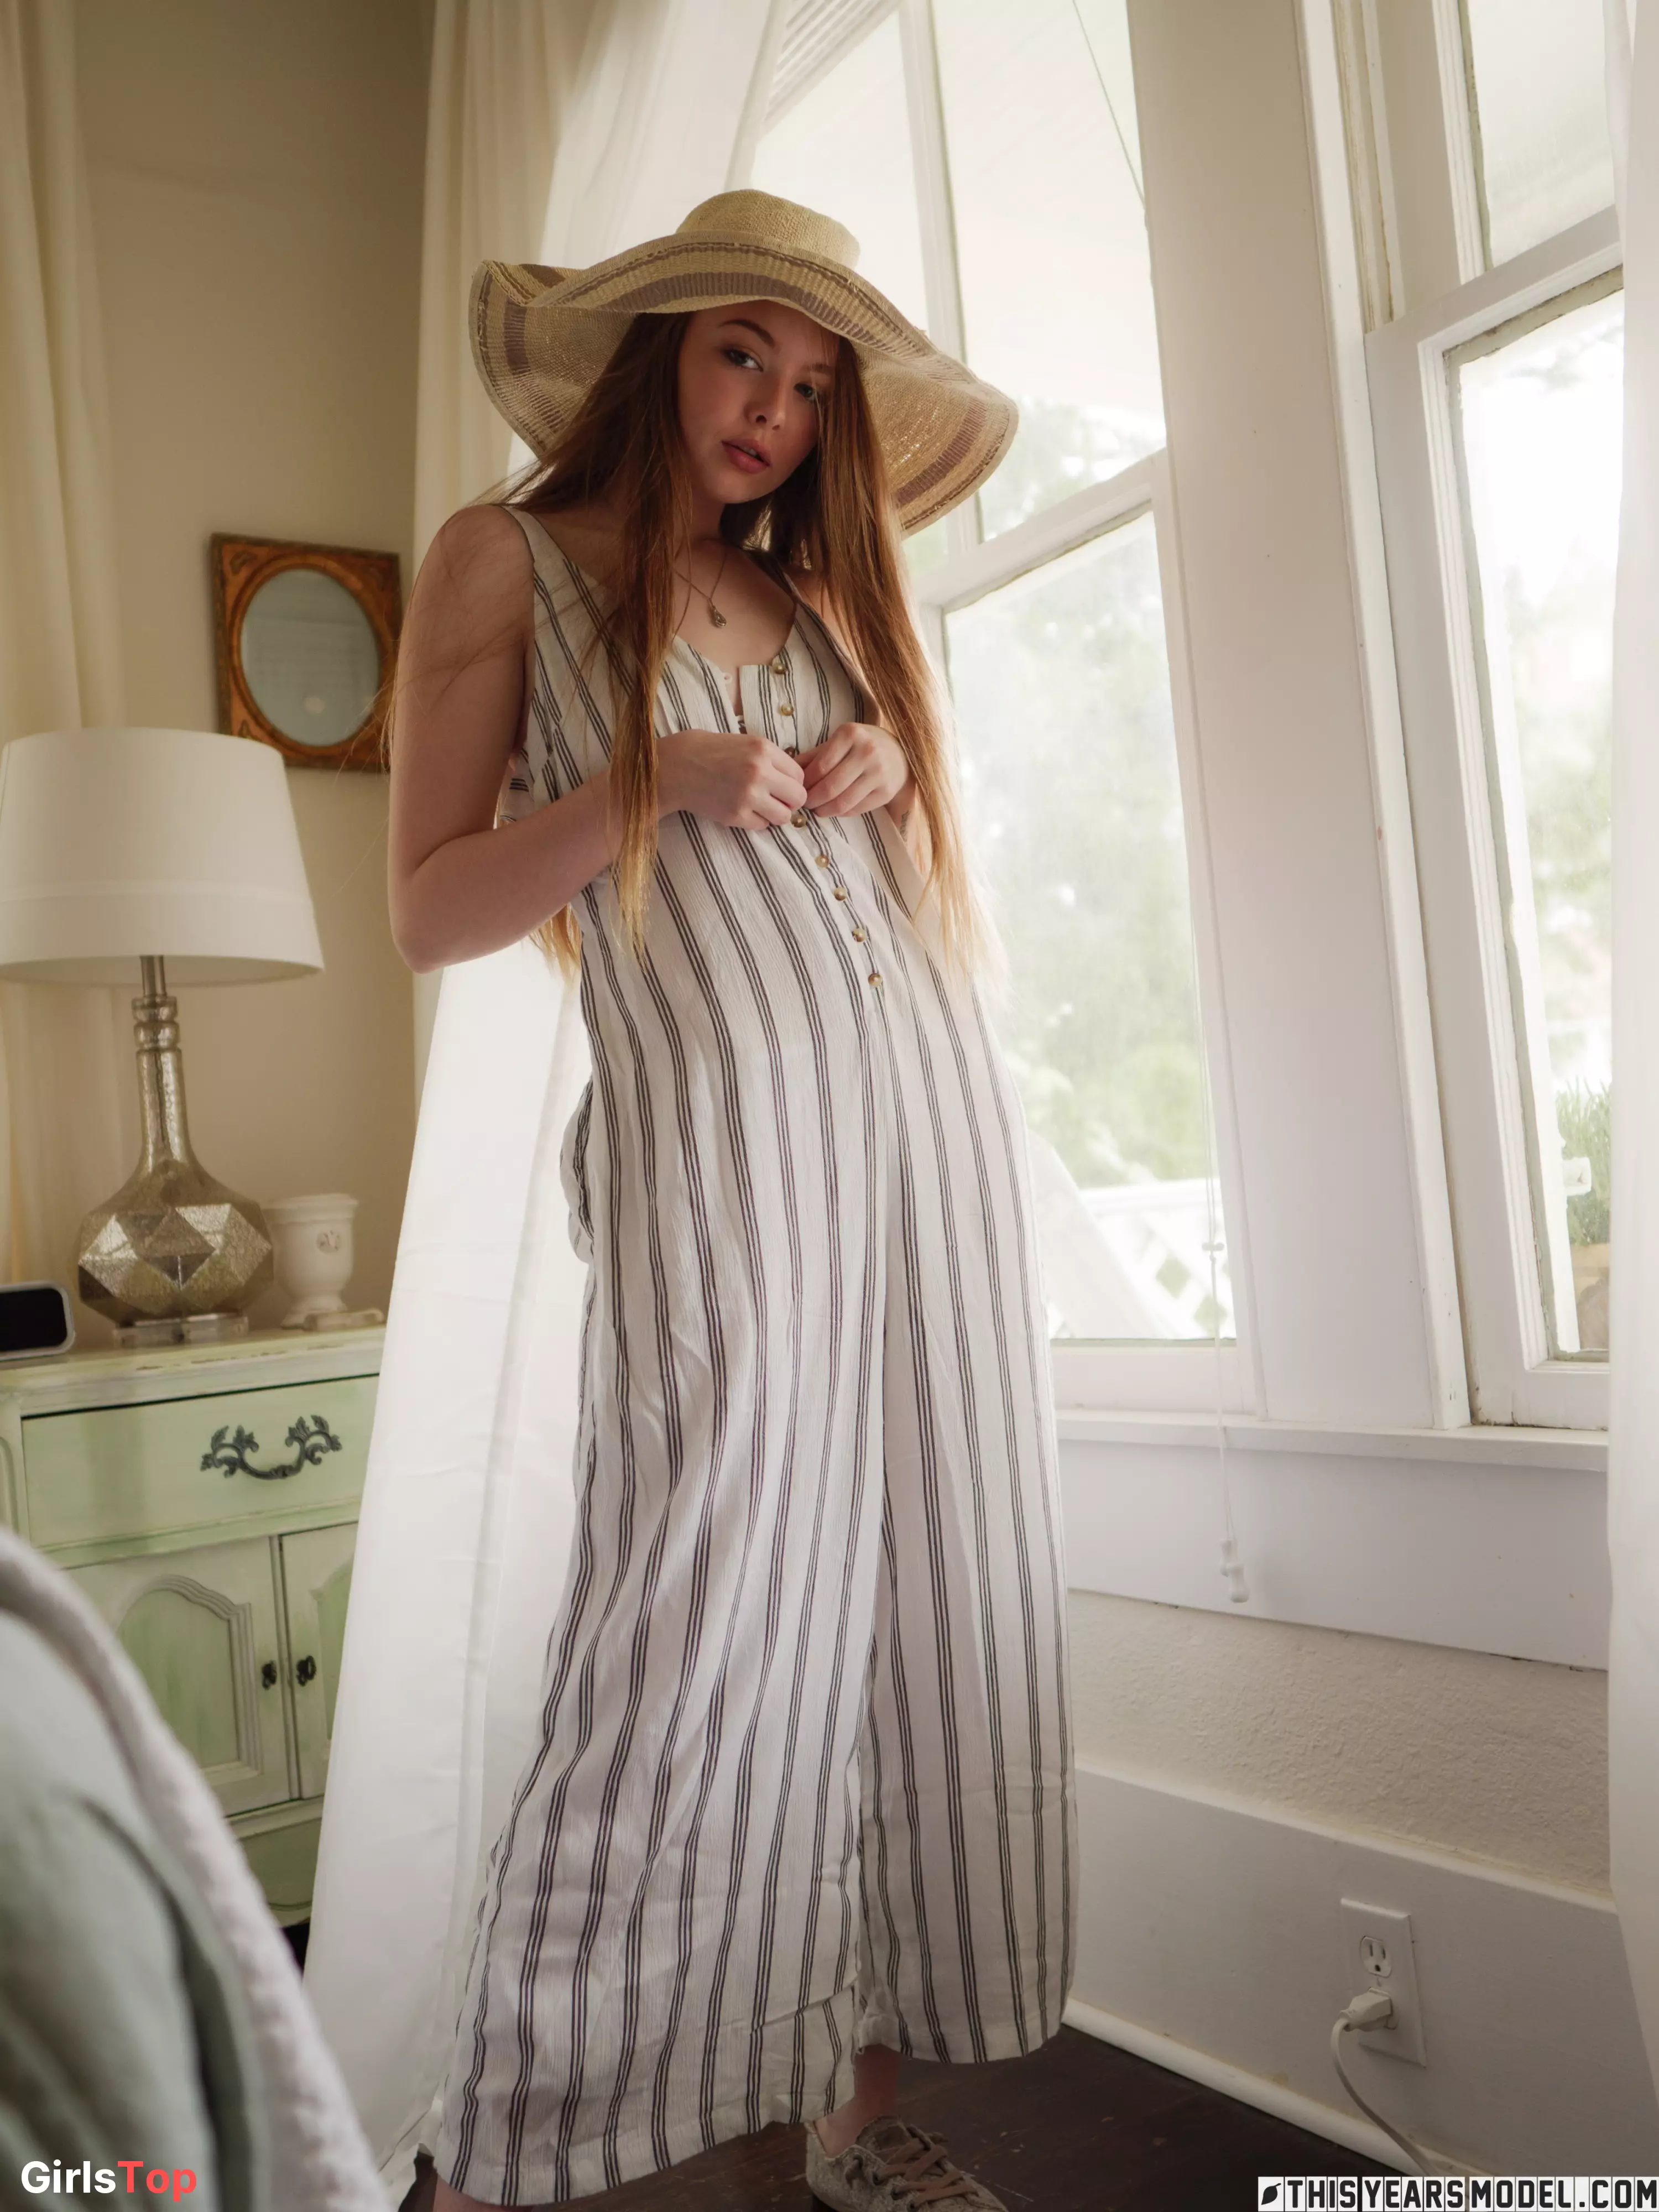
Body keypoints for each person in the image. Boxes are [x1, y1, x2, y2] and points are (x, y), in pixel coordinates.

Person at [385, 188, 1077, 2211]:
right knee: (694, 1620)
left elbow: (896, 907)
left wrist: (886, 778)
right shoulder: (507, 560)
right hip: (722, 1176)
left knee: (914, 1603)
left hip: (926, 1159)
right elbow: (430, 909)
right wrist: (652, 785)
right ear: (658, 353)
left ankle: (854, 2113)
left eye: (812, 381)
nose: (773, 406)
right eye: (740, 353)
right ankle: (510, 2146)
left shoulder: (827, 603)